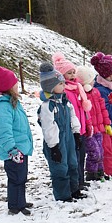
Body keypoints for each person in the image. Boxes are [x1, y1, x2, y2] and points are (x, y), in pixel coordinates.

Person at [0, 66, 33, 216]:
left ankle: (20, 201)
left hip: (20, 149)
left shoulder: (12, 103)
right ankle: (15, 206)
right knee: (16, 178)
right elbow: (3, 133)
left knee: (21, 177)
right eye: (15, 85)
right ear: (8, 88)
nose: (18, 87)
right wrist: (12, 149)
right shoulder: (2, 108)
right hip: (13, 151)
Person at [37, 62, 83, 202]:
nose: (64, 86)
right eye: (60, 84)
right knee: (60, 168)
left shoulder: (65, 102)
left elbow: (73, 117)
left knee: (72, 163)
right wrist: (54, 147)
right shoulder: (47, 106)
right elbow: (48, 127)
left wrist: (76, 133)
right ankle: (63, 195)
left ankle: (74, 189)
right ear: (51, 87)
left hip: (68, 136)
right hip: (56, 141)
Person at [53, 53, 92, 190]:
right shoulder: (66, 92)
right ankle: (75, 182)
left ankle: (80, 179)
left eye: (73, 72)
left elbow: (84, 109)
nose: (72, 75)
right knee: (73, 157)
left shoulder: (78, 88)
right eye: (69, 73)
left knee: (82, 155)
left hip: (81, 127)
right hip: (72, 129)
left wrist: (88, 123)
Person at [91, 52, 112, 176]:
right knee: (107, 148)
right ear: (108, 73)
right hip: (105, 126)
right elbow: (105, 108)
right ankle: (110, 169)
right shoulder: (101, 90)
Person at [76, 65, 108, 182]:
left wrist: (106, 123)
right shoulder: (81, 96)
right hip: (89, 131)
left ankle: (100, 172)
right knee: (94, 152)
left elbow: (102, 108)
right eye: (91, 80)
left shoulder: (96, 92)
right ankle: (91, 173)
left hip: (98, 128)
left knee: (100, 151)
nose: (93, 82)